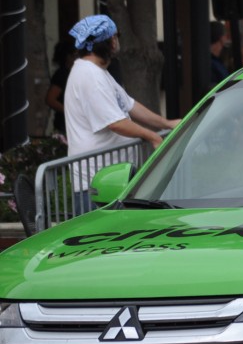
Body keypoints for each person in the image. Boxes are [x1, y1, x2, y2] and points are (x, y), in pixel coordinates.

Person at [64, 14, 181, 214]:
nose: (117, 40)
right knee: (99, 242)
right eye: (116, 35)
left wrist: (166, 123)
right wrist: (152, 136)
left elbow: (130, 106)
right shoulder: (90, 76)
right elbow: (116, 122)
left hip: (109, 181)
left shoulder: (98, 73)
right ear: (109, 41)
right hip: (96, 184)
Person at [45, 37, 77, 134]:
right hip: (65, 125)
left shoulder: (75, 73)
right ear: (68, 56)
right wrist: (70, 112)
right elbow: (50, 99)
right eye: (75, 55)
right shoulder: (62, 74)